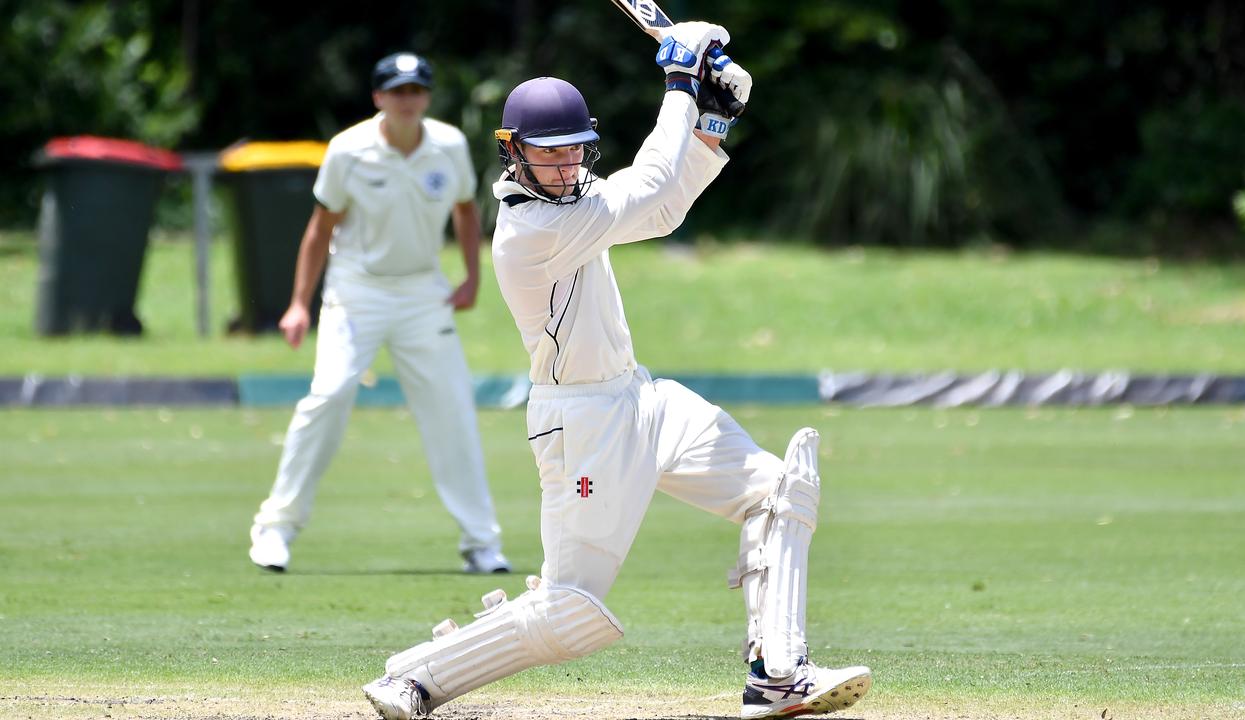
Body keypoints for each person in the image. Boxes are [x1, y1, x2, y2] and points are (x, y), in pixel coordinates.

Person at [361, 23, 871, 720]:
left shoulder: (573, 203)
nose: (568, 168)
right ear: (513, 155)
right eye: (551, 155)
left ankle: (776, 676)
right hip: (582, 424)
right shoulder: (528, 231)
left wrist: (712, 123)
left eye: (577, 152)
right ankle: (415, 679)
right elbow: (652, 180)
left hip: (641, 397)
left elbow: (659, 208)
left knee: (778, 492)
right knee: (572, 610)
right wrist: (680, 86)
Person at [247, 52, 509, 575]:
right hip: (357, 290)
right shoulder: (348, 150)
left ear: (427, 97)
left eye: (415, 91)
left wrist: (473, 278)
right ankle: (275, 528)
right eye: (397, 91)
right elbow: (321, 228)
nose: (407, 100)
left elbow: (464, 211)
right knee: (331, 393)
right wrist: (300, 303)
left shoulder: (449, 145)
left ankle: (481, 543)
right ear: (378, 98)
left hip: (422, 292)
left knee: (453, 407)